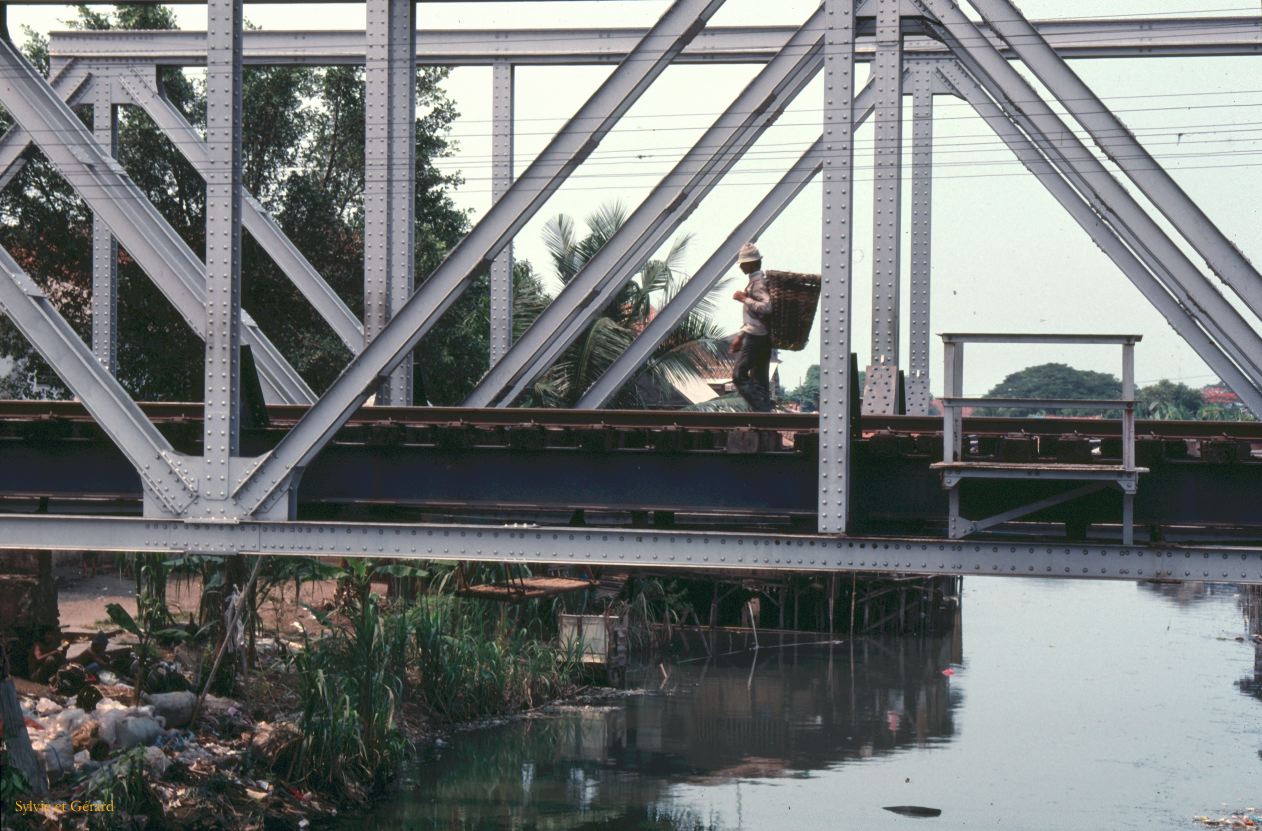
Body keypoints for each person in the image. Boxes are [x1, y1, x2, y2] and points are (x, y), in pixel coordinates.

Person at [729, 242, 774, 412]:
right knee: (759, 379)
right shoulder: (756, 282)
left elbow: (767, 308)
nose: (741, 266)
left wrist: (743, 299)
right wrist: (740, 336)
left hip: (756, 337)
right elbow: (753, 317)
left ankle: (762, 409)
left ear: (753, 263)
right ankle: (763, 412)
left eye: (744, 262)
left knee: (739, 375)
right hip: (761, 336)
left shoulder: (758, 284)